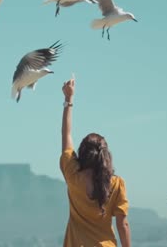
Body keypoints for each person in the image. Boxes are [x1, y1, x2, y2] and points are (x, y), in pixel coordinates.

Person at [60, 78, 131, 247]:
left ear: (82, 154)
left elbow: (66, 134)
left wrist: (69, 99)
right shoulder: (116, 184)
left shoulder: (72, 174)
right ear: (106, 156)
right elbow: (123, 224)